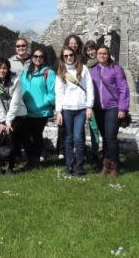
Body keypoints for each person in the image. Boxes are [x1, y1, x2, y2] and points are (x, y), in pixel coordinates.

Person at [89, 45, 130, 178]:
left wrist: (122, 108)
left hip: (113, 107)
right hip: (98, 109)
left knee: (111, 137)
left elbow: (124, 89)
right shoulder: (93, 70)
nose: (102, 55)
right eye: (100, 53)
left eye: (105, 53)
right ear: (96, 55)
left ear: (108, 55)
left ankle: (115, 165)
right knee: (105, 138)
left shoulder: (116, 69)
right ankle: (105, 165)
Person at [55, 46, 94, 176]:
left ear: (75, 55)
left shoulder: (84, 69)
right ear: (62, 58)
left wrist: (89, 107)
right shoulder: (61, 72)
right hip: (67, 109)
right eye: (65, 56)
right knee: (68, 139)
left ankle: (79, 167)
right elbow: (59, 93)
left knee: (78, 138)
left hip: (81, 109)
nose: (68, 58)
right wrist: (58, 111)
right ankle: (69, 166)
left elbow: (90, 88)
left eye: (70, 55)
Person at [18, 49, 56, 170]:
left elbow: (53, 93)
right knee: (24, 137)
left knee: (36, 136)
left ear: (44, 58)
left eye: (41, 56)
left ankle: (34, 162)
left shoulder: (48, 73)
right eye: (35, 56)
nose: (38, 58)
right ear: (32, 57)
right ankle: (31, 159)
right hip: (25, 111)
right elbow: (19, 87)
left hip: (41, 112)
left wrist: (42, 104)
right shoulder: (25, 72)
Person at [0, 59, 26, 174]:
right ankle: (0, 166)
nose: (2, 70)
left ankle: (11, 166)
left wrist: (8, 121)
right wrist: (2, 121)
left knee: (12, 138)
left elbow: (15, 102)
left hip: (17, 113)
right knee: (0, 138)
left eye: (4, 68)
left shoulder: (16, 80)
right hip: (2, 115)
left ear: (8, 68)